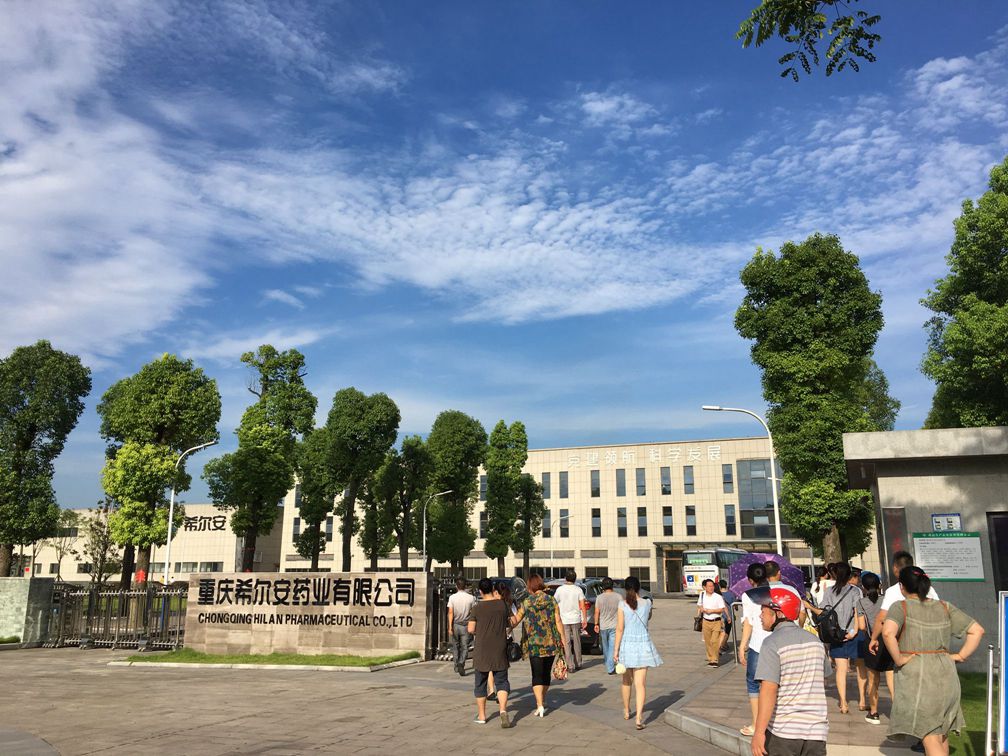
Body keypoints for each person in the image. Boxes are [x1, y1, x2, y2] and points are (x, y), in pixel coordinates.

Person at [882, 566, 984, 756]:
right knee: (940, 734)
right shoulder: (944, 606)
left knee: (929, 734)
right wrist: (960, 656)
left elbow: (887, 632)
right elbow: (977, 630)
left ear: (902, 586)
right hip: (946, 673)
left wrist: (899, 658)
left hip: (919, 677)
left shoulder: (900, 607)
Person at [750, 586, 828, 756]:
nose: (760, 616)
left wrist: (759, 732)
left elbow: (768, 690)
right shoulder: (816, 641)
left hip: (783, 732)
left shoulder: (771, 643)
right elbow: (823, 680)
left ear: (778, 614)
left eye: (763, 611)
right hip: (816, 731)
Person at [868, 550, 940, 713]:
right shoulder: (930, 590)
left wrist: (874, 638)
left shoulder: (894, 591)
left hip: (905, 643)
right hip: (929, 643)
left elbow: (882, 619)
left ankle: (904, 712)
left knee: (901, 678)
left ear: (895, 568)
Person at [807, 562, 863, 713]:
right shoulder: (855, 591)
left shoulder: (829, 591)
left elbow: (823, 610)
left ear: (835, 574)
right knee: (860, 667)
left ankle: (843, 702)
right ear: (849, 574)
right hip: (852, 632)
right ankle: (862, 700)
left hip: (836, 633)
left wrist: (809, 606)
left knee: (840, 669)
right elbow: (858, 611)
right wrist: (854, 631)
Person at [511, 573, 565, 718]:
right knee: (546, 674)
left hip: (534, 644)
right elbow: (558, 621)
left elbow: (516, 619)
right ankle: (543, 699)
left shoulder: (527, 602)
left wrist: (506, 620)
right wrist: (563, 640)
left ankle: (539, 704)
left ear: (530, 586)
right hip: (551, 643)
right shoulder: (551, 600)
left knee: (536, 674)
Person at [613, 575, 662, 730]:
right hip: (643, 645)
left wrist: (615, 650)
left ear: (625, 588)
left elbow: (619, 628)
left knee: (626, 681)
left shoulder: (622, 604)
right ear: (639, 587)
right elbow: (647, 619)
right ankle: (639, 717)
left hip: (627, 645)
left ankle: (627, 710)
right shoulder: (647, 603)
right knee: (640, 684)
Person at [468, 577, 513, 728]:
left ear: (480, 591)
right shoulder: (502, 605)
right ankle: (503, 710)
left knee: (480, 683)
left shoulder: (477, 608)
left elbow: (471, 629)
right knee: (502, 681)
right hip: (499, 648)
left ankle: (482, 716)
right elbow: (511, 622)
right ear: (492, 589)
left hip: (482, 650)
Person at [856, 571, 889, 725]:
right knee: (891, 679)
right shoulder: (886, 600)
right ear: (879, 585)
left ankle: (874, 713)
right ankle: (898, 713)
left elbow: (862, 626)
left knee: (873, 679)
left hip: (871, 641)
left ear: (863, 587)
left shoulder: (861, 603)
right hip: (888, 640)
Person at [487, 582, 518, 699]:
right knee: (502, 666)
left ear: (496, 592)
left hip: (491, 638)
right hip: (505, 639)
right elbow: (514, 621)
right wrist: (509, 628)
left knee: (491, 665)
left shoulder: (490, 605)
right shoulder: (508, 604)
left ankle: (491, 690)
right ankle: (503, 689)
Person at [553, 570, 587, 672]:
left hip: (564, 619)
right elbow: (582, 605)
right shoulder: (578, 590)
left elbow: (554, 603)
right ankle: (578, 662)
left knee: (566, 642)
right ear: (575, 579)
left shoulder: (560, 590)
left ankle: (570, 665)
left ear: (565, 578)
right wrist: (584, 619)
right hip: (576, 618)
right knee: (577, 641)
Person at [447, 576, 475, 676]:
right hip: (466, 625)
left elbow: (450, 612)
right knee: (465, 647)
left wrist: (450, 627)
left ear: (456, 586)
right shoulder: (471, 598)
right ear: (465, 586)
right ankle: (461, 663)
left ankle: (456, 665)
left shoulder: (452, 597)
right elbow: (473, 612)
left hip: (455, 624)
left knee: (455, 646)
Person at [696, 579, 728, 666]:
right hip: (705, 621)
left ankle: (715, 660)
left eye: (712, 586)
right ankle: (710, 659)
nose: (711, 588)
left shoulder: (718, 597)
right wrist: (702, 609)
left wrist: (712, 611)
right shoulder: (702, 595)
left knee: (714, 641)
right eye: (709, 586)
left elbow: (722, 609)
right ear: (705, 587)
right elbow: (699, 604)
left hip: (716, 621)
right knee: (708, 642)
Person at [593, 576, 621, 674]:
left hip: (603, 626)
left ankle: (609, 665)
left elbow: (597, 612)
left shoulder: (599, 597)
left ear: (603, 586)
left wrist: (596, 624)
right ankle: (610, 666)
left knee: (605, 647)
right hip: (614, 625)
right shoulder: (618, 597)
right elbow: (622, 611)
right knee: (612, 647)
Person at [720, 579, 738, 654]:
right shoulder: (731, 594)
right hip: (729, 615)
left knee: (721, 631)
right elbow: (735, 606)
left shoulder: (718, 594)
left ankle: (722, 644)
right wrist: (736, 608)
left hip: (720, 615)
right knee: (727, 631)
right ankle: (722, 644)